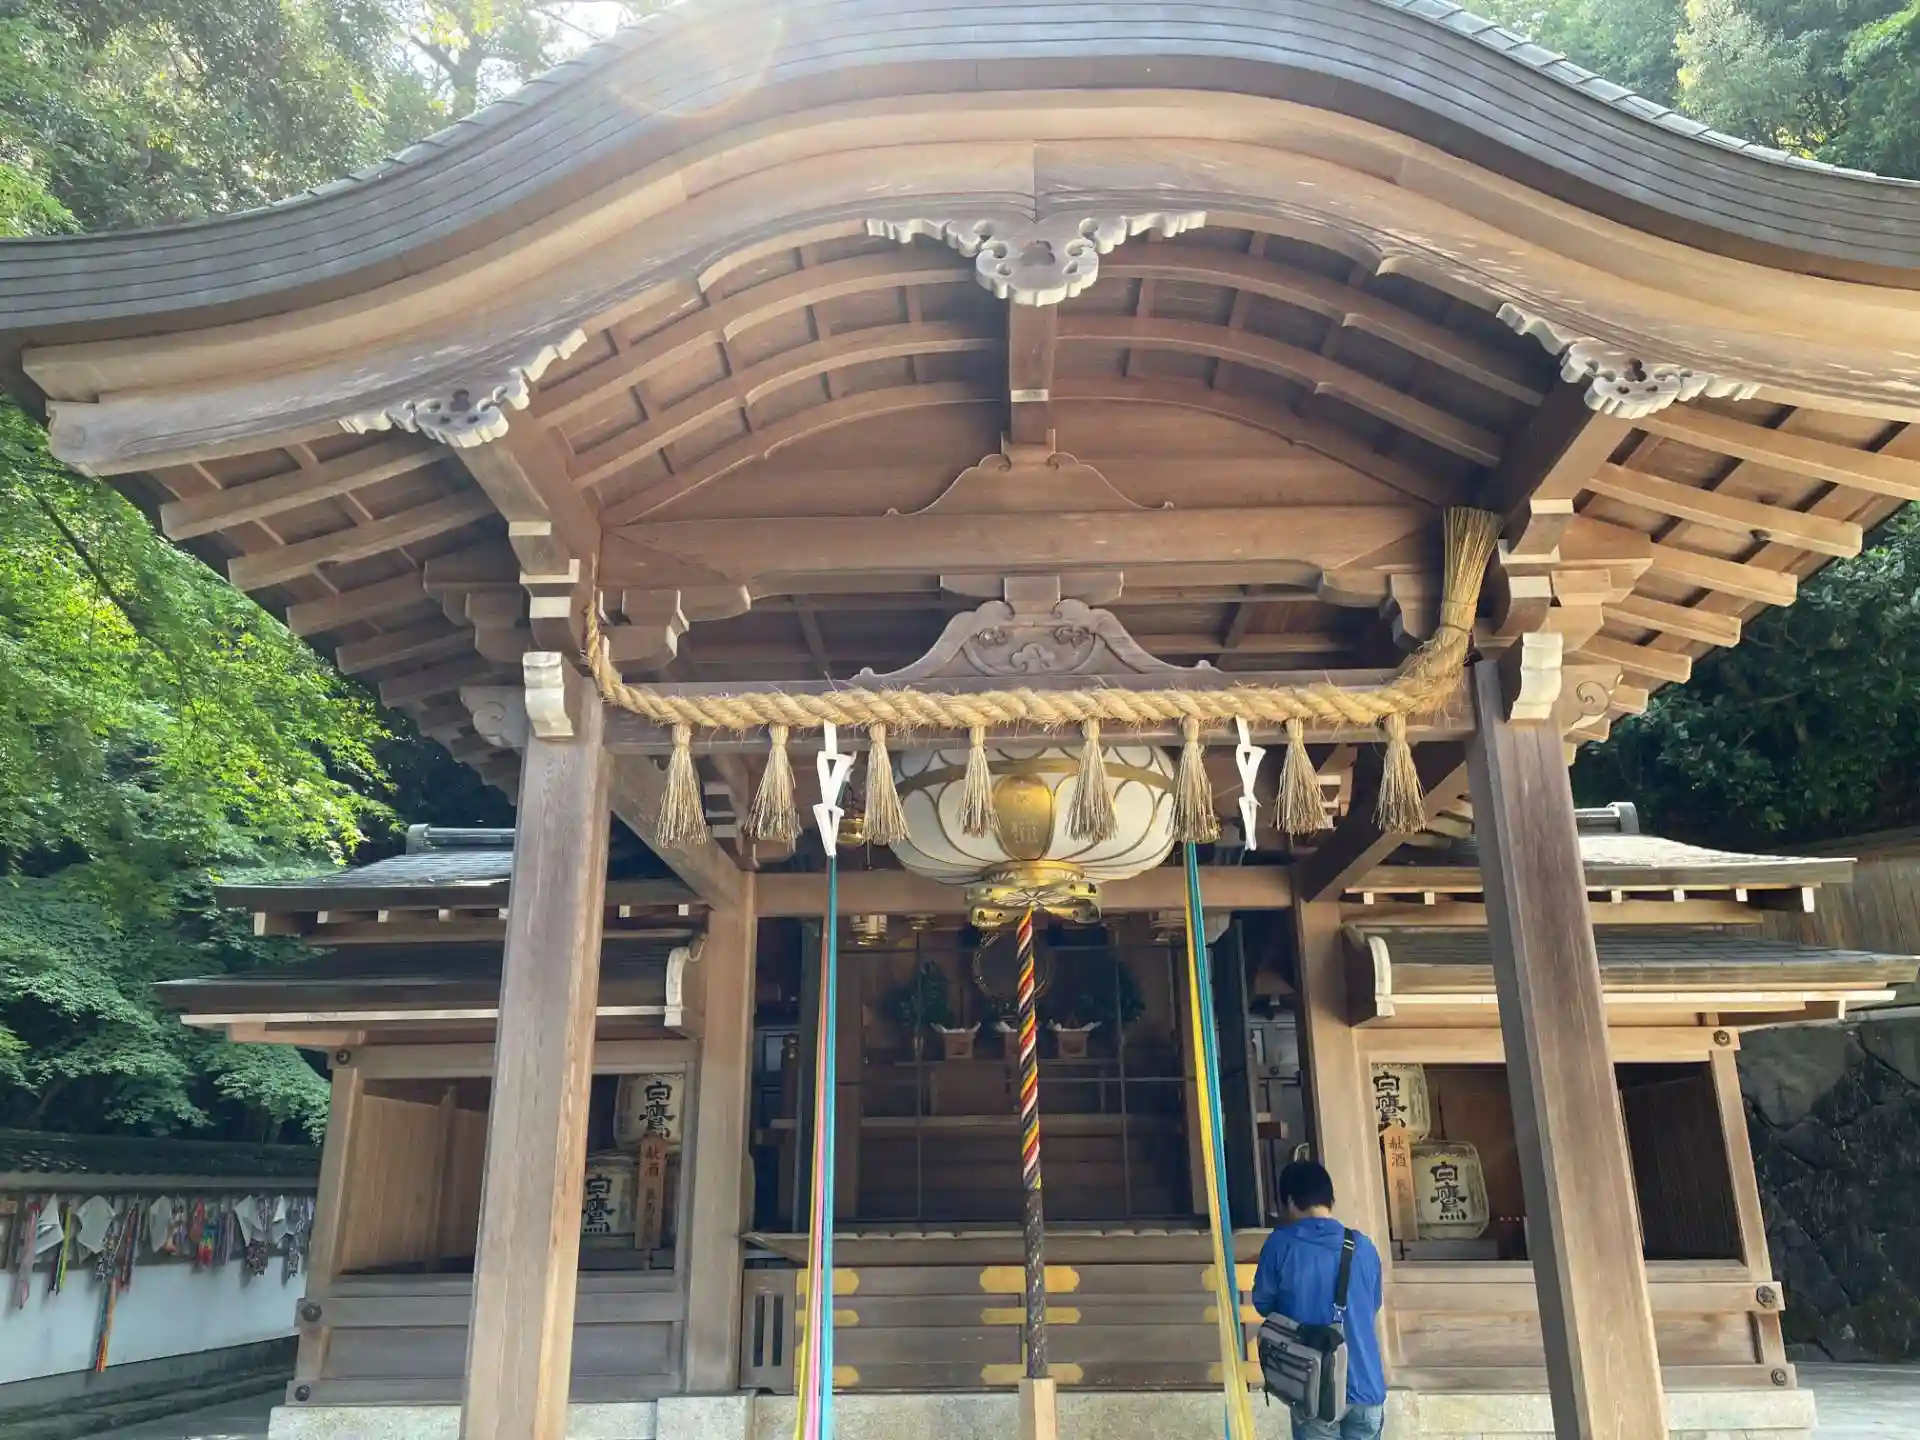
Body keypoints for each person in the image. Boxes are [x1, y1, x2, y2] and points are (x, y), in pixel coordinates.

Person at [1251, 1159, 1387, 1440]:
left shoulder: (1280, 1244)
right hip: (1367, 1386)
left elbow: (1264, 1304)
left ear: (1290, 1201)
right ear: (1330, 1199)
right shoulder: (1363, 1246)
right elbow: (1373, 1305)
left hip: (1315, 1388)